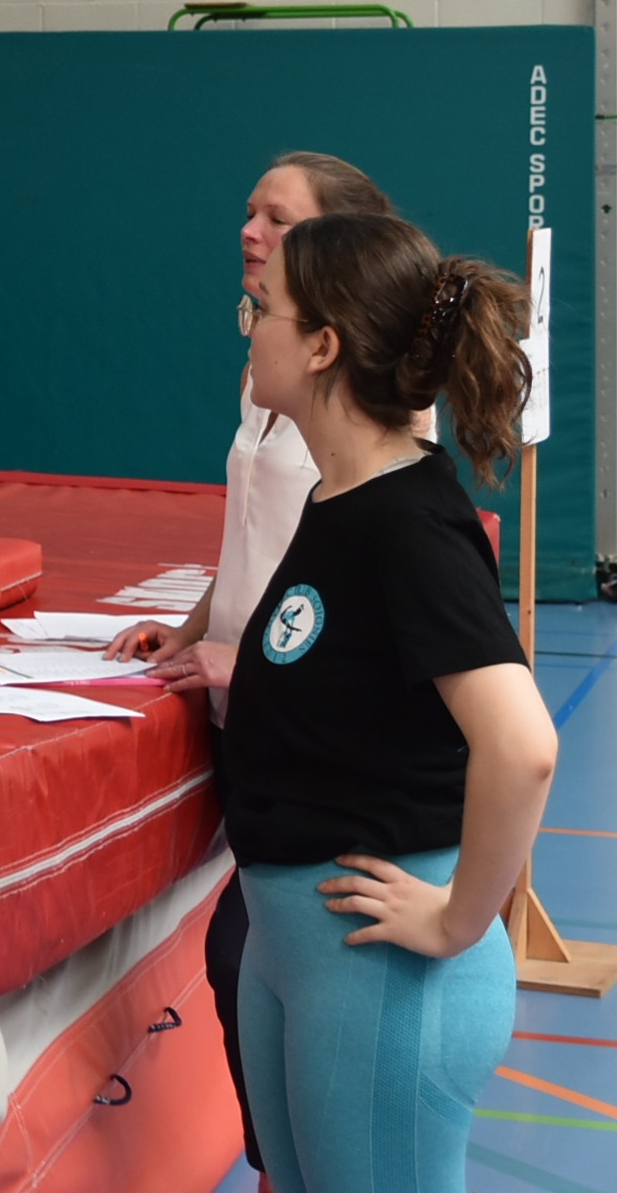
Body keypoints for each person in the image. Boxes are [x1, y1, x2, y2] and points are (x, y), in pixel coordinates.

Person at [221, 211, 555, 1192]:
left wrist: (460, 919)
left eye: (262, 309)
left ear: (322, 344)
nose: (248, 327)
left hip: (380, 967)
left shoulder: (410, 523)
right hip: (298, 951)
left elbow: (523, 745)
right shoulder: (340, 498)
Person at [105, 151, 398, 1179]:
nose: (249, 229)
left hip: (302, 707)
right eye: (247, 211)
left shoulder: (365, 392)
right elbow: (252, 535)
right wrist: (194, 628)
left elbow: (350, 568)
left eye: (275, 216)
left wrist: (260, 659)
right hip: (246, 697)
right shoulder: (264, 371)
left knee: (250, 954)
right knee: (243, 967)